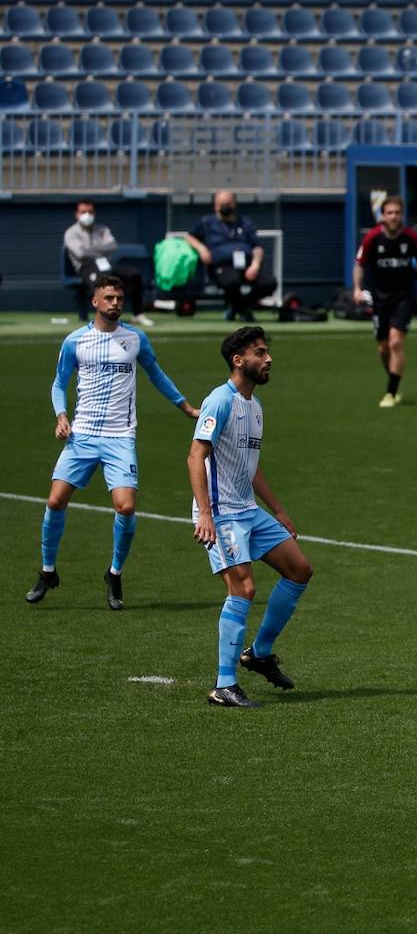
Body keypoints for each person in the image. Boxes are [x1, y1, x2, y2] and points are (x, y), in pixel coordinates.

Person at [25, 275, 199, 611]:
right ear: (95, 301)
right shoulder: (75, 341)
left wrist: (185, 406)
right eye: (109, 298)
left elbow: (156, 374)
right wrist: (61, 416)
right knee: (55, 501)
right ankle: (48, 572)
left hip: (120, 436)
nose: (116, 303)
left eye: (119, 298)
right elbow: (59, 383)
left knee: (126, 507)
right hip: (83, 436)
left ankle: (114, 573)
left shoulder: (135, 339)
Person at [189, 327, 314, 708]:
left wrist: (277, 510)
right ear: (238, 361)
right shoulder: (219, 401)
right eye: (260, 353)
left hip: (248, 510)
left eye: (268, 352)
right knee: (243, 589)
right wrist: (206, 514)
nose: (269, 359)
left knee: (299, 569)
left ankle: (259, 653)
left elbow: (251, 467)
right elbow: (196, 456)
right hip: (222, 514)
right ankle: (224, 685)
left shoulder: (254, 407)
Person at [353, 195, 417, 408]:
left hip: (404, 297)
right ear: (383, 215)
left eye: (397, 212)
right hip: (380, 298)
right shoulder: (372, 238)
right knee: (383, 348)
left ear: (402, 214)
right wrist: (357, 289)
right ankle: (394, 378)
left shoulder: (411, 238)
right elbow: (359, 264)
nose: (394, 216)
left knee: (396, 341)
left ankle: (391, 392)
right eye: (390, 213)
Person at [185, 190, 277, 323]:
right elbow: (189, 237)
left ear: (234, 204)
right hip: (223, 267)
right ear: (216, 206)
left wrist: (255, 265)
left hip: (247, 266)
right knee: (231, 282)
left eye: (227, 203)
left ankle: (237, 307)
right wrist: (202, 249)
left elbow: (257, 247)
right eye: (221, 204)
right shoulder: (207, 222)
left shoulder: (245, 222)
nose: (225, 207)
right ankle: (244, 311)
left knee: (269, 283)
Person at [64, 199, 152, 327]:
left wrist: (91, 249)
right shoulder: (71, 233)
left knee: (134, 274)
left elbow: (112, 246)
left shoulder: (102, 229)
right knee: (101, 282)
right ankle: (103, 318)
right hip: (85, 267)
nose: (87, 215)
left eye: (90, 211)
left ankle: (138, 314)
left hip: (106, 265)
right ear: (77, 214)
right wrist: (100, 249)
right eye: (83, 212)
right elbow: (80, 254)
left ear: (94, 213)